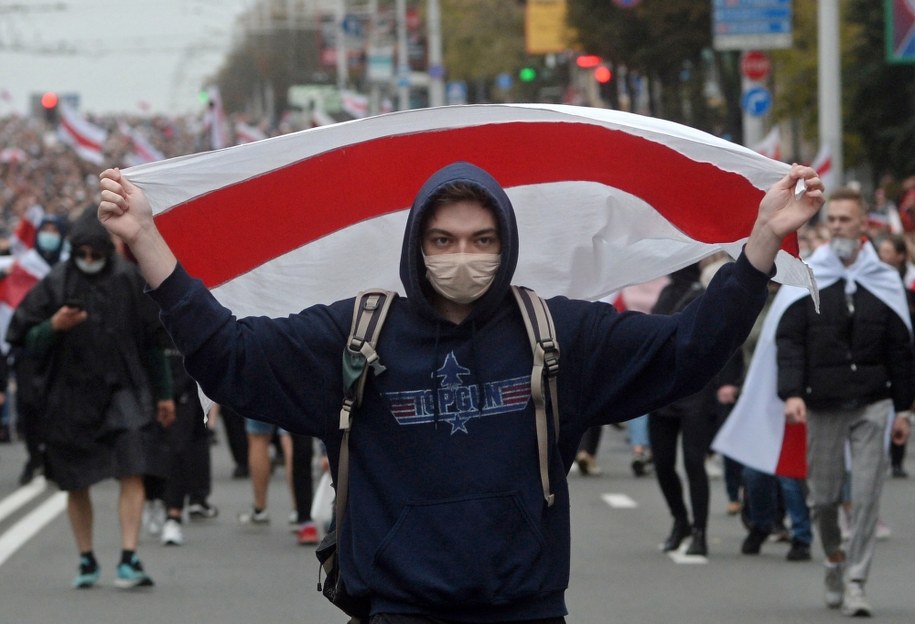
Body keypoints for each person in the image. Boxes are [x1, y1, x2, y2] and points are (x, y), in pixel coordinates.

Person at [98, 161, 822, 622]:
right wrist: (147, 242)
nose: (462, 257)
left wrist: (757, 247)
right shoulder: (358, 334)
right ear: (416, 246)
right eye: (442, 241)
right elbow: (230, 358)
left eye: (481, 240)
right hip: (399, 610)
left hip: (528, 610)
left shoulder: (556, 334)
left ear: (505, 245)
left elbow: (686, 352)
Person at [6, 207, 176, 589]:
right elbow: (23, 338)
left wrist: (163, 394)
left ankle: (129, 556)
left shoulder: (129, 280)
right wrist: (53, 326)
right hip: (69, 396)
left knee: (133, 466)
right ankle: (86, 558)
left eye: (94, 254)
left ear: (106, 251)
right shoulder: (54, 284)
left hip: (123, 391)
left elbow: (153, 342)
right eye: (81, 253)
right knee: (74, 479)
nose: (87, 261)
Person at [775, 188, 913, 616]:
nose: (836, 226)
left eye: (845, 219)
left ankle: (856, 581)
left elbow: (901, 349)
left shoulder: (884, 280)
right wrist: (792, 393)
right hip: (823, 403)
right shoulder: (808, 275)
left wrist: (904, 409)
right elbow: (790, 339)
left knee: (869, 496)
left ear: (863, 226)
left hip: (873, 403)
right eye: (831, 219)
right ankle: (834, 557)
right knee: (823, 498)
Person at [647, 264, 720, 557]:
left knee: (693, 462)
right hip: (662, 389)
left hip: (695, 391)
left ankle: (700, 531)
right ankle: (680, 520)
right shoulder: (667, 291)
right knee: (663, 463)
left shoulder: (704, 294)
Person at [9, 214, 69, 484]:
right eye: (44, 229)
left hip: (62, 351)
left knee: (58, 409)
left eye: (54, 229)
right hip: (29, 352)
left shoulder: (70, 268)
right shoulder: (22, 268)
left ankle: (55, 459)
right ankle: (34, 458)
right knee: (29, 408)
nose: (48, 234)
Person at [875, 233, 914, 478]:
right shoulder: (874, 277)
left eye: (888, 252)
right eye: (882, 252)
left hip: (905, 344)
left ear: (900, 256)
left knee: (902, 399)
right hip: (881, 346)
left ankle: (897, 458)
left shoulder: (909, 279)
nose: (883, 257)